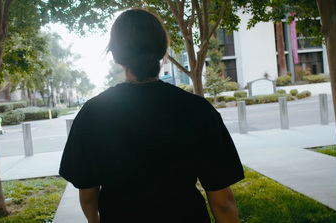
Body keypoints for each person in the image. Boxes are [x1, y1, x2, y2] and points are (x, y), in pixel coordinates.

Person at [59, 8, 244, 223]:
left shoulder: (92, 113)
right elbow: (222, 202)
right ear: (162, 50)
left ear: (117, 57)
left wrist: (94, 220)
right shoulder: (197, 109)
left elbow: (88, 195)